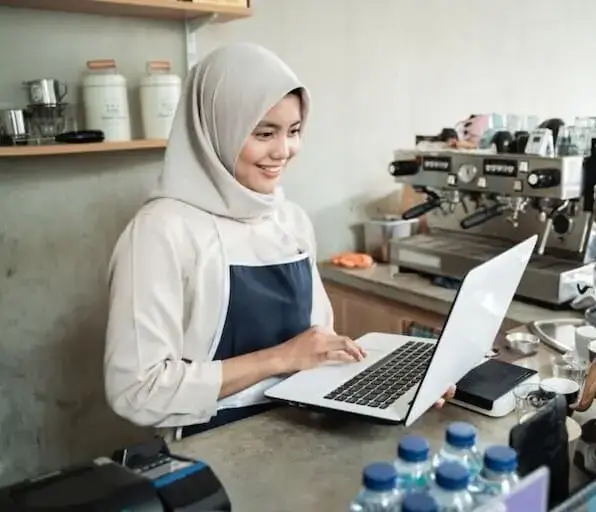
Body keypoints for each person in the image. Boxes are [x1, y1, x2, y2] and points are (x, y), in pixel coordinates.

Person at [104, 43, 453, 439]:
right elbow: (135, 390)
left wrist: (399, 383)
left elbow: (318, 347)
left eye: (294, 131)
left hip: (305, 427)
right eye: (264, 133)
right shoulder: (161, 231)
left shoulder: (290, 220)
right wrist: (279, 358)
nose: (283, 151)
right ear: (217, 129)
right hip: (215, 443)